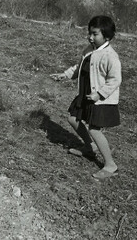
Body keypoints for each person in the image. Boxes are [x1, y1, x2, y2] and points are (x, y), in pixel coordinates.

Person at [52, 15, 122, 180]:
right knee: (73, 119)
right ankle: (90, 148)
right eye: (89, 33)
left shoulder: (110, 56)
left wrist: (100, 94)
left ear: (106, 36)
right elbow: (79, 67)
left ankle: (110, 165)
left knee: (94, 129)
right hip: (85, 94)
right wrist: (65, 74)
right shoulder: (89, 49)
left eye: (95, 34)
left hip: (100, 100)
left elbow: (115, 80)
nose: (90, 37)